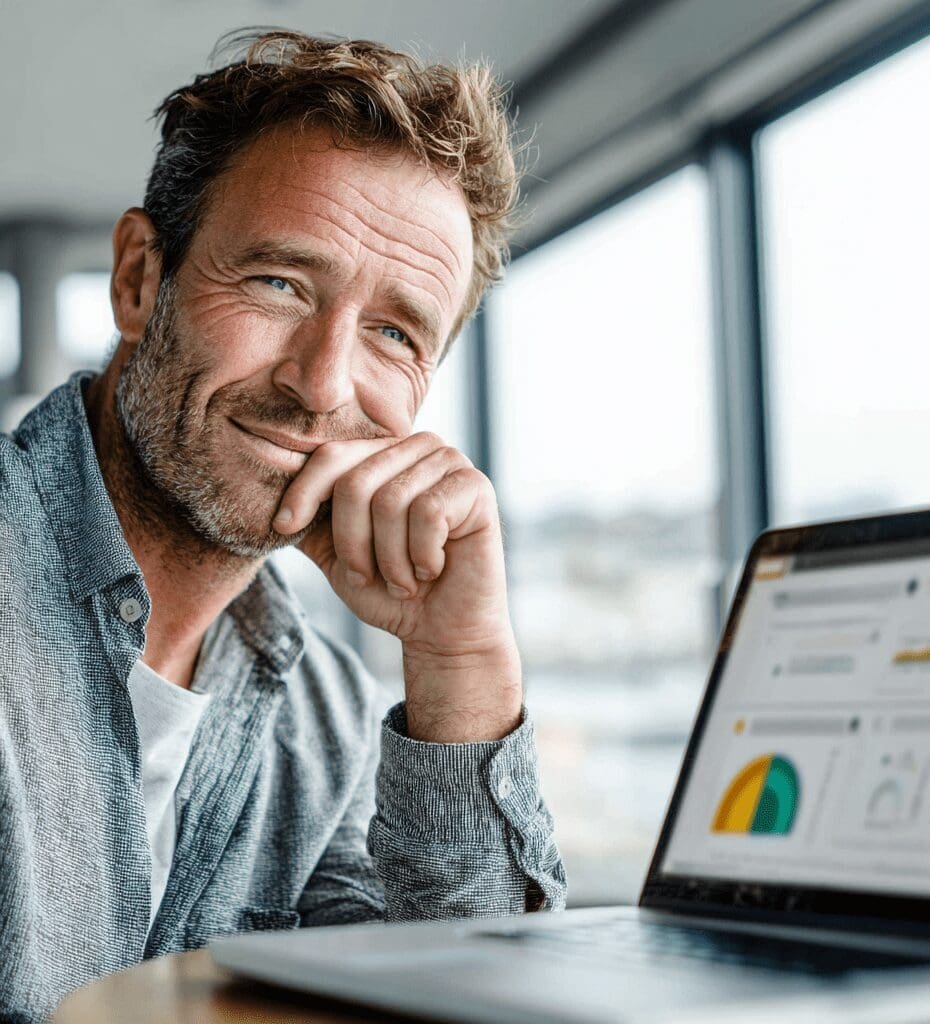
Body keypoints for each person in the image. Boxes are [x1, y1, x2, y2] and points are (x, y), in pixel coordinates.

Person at [0, 29, 565, 1024]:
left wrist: (465, 668)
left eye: (394, 334)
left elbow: (469, 1000)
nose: (320, 384)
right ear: (140, 278)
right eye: (278, 284)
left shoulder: (327, 719)